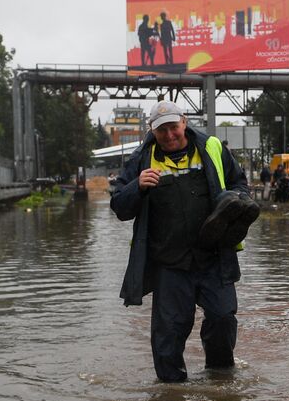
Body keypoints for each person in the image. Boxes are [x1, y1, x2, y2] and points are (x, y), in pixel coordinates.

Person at [111, 101, 260, 383]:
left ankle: (219, 380)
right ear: (151, 131)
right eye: (161, 130)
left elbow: (240, 184)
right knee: (168, 335)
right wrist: (137, 187)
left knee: (223, 319)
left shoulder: (213, 148)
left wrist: (237, 202)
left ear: (185, 121)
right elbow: (119, 207)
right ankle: (171, 393)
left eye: (173, 127)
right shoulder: (141, 160)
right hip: (169, 265)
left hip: (213, 258)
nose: (169, 135)